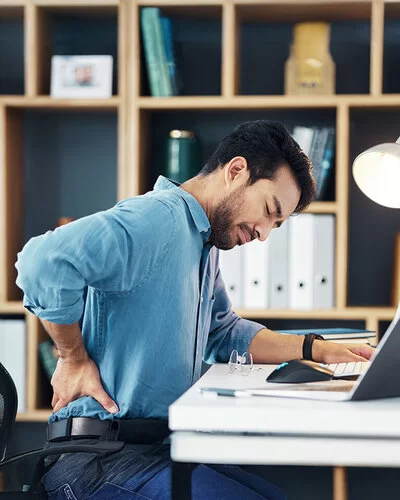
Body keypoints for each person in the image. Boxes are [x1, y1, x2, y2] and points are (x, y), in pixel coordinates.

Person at [15, 120, 374, 500]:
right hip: (97, 461)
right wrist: (72, 357)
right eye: (268, 210)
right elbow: (42, 261)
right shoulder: (158, 220)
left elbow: (223, 332)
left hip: (153, 450)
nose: (264, 234)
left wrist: (316, 349)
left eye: (276, 224)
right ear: (236, 171)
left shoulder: (201, 243)